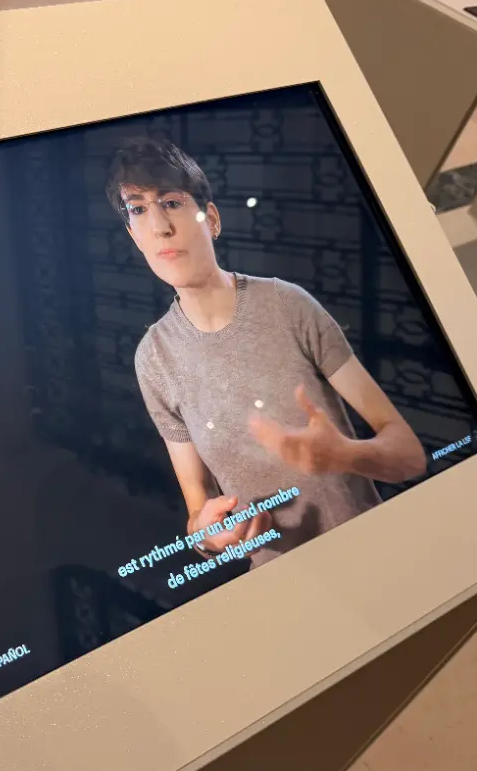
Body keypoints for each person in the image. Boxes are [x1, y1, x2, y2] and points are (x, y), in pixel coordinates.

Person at [111, 137, 428, 566]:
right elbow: (197, 512)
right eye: (138, 209)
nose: (159, 227)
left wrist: (347, 454)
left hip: (375, 556)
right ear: (133, 236)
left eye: (171, 203)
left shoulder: (285, 303)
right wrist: (210, 537)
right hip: (283, 585)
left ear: (211, 219)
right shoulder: (153, 359)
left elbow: (410, 456)